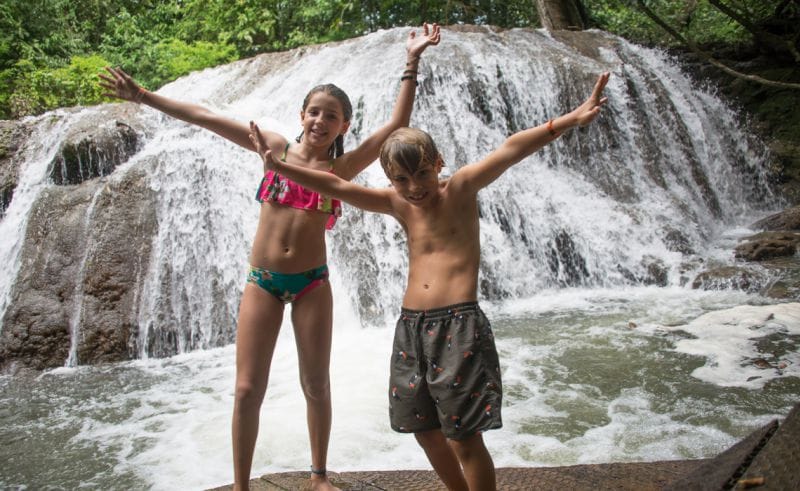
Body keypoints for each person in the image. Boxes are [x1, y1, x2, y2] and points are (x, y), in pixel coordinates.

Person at [99, 23, 441, 491]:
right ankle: (241, 485)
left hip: (312, 284)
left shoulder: (340, 168)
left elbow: (396, 125)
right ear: (302, 115)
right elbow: (203, 116)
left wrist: (412, 60)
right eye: (315, 112)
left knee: (316, 385)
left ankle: (319, 475)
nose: (321, 121)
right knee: (246, 389)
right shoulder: (273, 146)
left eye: (333, 116)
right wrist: (143, 96)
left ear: (344, 126)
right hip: (262, 281)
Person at [249, 71, 610, 490]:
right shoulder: (396, 202)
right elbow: (333, 184)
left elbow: (512, 149)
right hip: (411, 328)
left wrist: (569, 120)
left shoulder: (459, 189)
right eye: (401, 179)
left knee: (463, 436)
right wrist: (278, 167)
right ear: (390, 180)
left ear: (437, 165)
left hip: (458, 324)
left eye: (421, 174)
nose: (414, 187)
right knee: (423, 430)